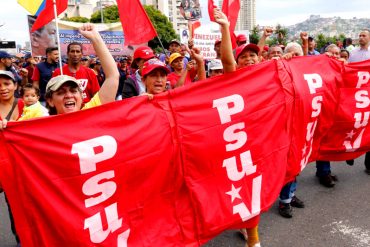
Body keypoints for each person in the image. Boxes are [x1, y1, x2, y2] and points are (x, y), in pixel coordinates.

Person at [213, 8, 260, 247]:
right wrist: (224, 27)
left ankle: (252, 236)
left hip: (258, 143)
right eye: (245, 57)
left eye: (254, 56)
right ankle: (245, 232)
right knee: (237, 187)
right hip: (235, 142)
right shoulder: (234, 78)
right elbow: (227, 61)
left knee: (253, 188)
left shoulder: (266, 79)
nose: (250, 60)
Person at [0, 70, 24, 246]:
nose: (2, 88)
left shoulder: (28, 105)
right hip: (4, 168)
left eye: (7, 84)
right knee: (13, 206)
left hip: (25, 168)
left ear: (15, 85)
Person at [347, 29, 370, 174]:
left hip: (368, 93)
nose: (361, 37)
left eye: (364, 35)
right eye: (359, 35)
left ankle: (369, 164)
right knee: (354, 124)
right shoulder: (353, 53)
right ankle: (349, 153)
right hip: (355, 94)